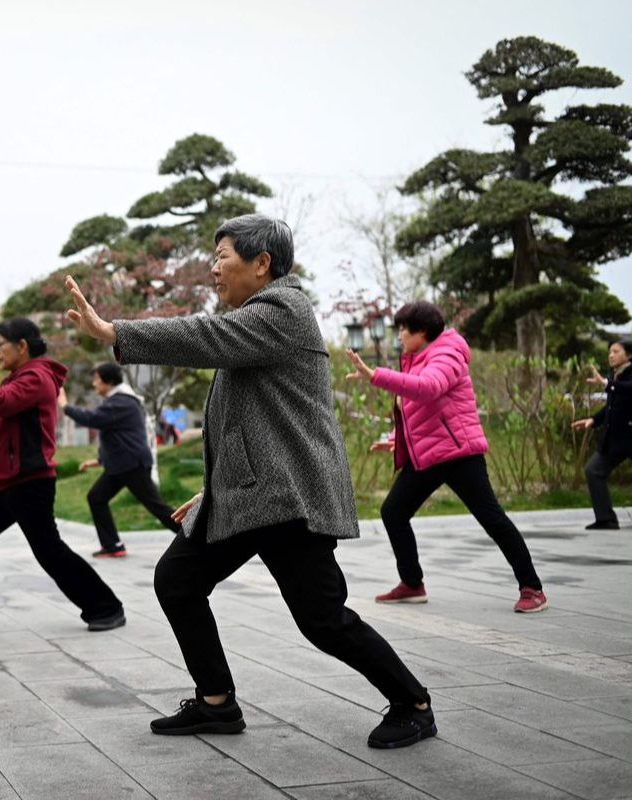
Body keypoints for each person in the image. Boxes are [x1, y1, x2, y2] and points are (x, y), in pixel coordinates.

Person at [67, 213, 435, 750]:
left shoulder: (284, 309)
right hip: (246, 494)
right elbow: (245, 423)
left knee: (322, 619)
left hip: (287, 497)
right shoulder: (254, 320)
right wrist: (212, 488)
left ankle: (414, 702)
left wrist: (114, 332)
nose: (213, 269)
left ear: (262, 264)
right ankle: (216, 702)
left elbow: (203, 334)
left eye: (222, 257)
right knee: (178, 580)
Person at [346, 301, 548, 614]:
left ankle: (532, 588)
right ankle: (412, 584)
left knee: (491, 518)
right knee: (393, 512)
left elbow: (427, 389)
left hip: (458, 454)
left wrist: (376, 375)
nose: (398, 335)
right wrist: (397, 439)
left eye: (402, 329)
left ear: (422, 331)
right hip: (429, 455)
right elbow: (420, 411)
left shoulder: (448, 353)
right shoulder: (414, 357)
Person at [0, 317, 127, 632]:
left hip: (30, 483)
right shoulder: (17, 379)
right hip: (8, 484)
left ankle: (106, 607)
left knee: (49, 551)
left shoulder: (37, 378)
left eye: (1, 346)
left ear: (22, 346)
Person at [57, 362, 180, 557]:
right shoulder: (118, 402)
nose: (94, 384)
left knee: (157, 507)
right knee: (96, 497)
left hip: (131, 465)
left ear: (109, 381)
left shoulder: (121, 402)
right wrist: (98, 460)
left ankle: (194, 539)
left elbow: (92, 419)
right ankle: (113, 545)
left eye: (97, 379)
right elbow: (118, 437)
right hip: (122, 465)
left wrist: (65, 407)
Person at [572, 340, 632, 530]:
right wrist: (593, 419)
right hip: (615, 440)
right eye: (610, 351)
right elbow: (612, 406)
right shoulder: (614, 375)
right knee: (594, 471)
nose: (611, 355)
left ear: (629, 355)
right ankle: (606, 518)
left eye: (616, 351)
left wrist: (608, 384)